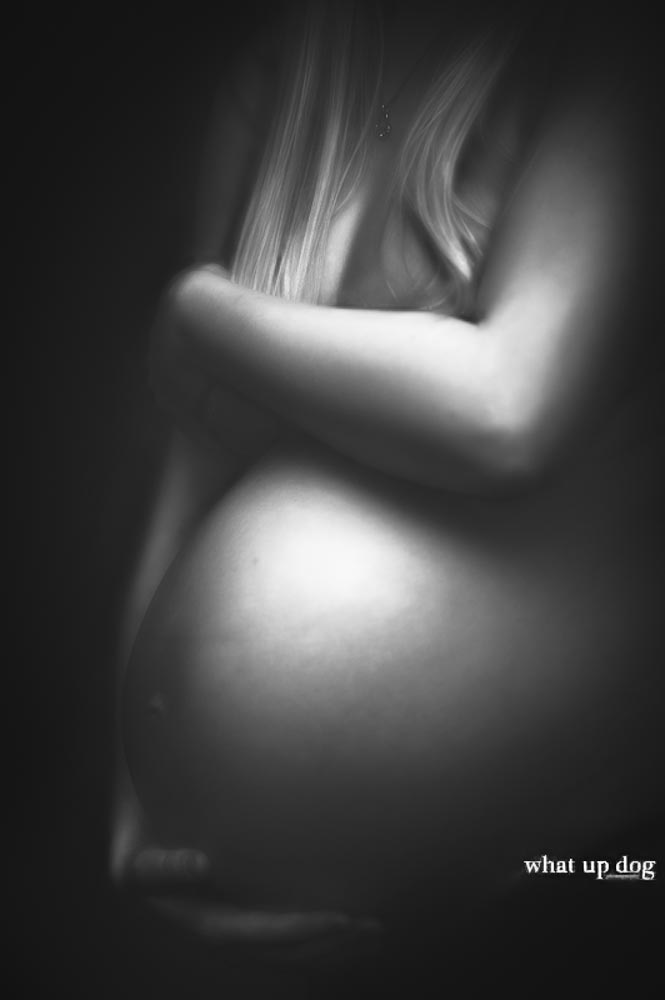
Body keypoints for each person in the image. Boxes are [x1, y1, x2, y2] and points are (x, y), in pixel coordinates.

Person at [111, 0, 663, 984]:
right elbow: (195, 460)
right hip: (282, 889)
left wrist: (201, 309)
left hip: (575, 848)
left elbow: (507, 410)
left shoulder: (603, 55)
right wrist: (140, 789)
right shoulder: (275, 79)